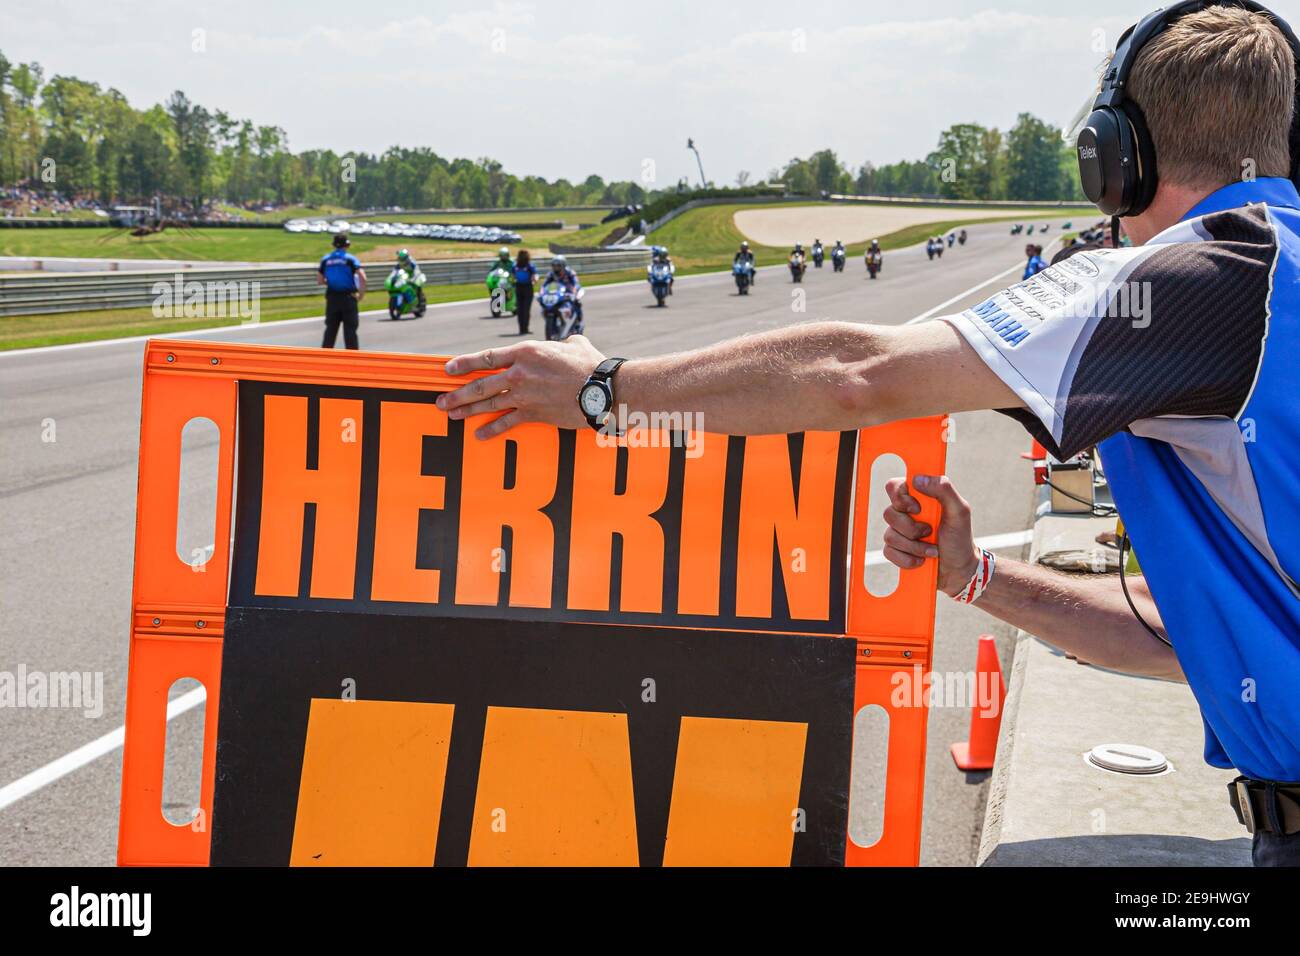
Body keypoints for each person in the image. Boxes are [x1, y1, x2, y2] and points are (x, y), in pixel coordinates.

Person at [436, 4, 1300, 865]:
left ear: (1117, 158)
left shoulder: (1207, 277)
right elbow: (1189, 636)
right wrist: (977, 578)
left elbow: (858, 375)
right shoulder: (1276, 264)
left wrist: (604, 390)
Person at [317, 232, 366, 350]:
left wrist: (331, 282)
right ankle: (352, 361)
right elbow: (363, 277)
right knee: (350, 331)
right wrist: (361, 294)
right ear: (347, 245)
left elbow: (320, 280)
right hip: (348, 298)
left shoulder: (325, 260)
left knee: (330, 330)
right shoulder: (350, 259)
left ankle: (325, 358)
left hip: (332, 298)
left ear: (334, 245)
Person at [545, 254, 583, 337]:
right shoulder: (551, 274)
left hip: (569, 294)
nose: (556, 268)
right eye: (554, 266)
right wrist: (542, 293)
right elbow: (545, 285)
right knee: (547, 307)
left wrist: (574, 292)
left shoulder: (570, 273)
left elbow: (576, 283)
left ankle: (578, 324)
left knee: (577, 303)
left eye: (558, 266)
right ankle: (554, 328)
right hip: (557, 294)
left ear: (563, 265)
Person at [513, 248, 537, 335]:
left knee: (520, 309)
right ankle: (525, 328)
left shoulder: (515, 266)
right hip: (527, 287)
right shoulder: (530, 266)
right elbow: (534, 276)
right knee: (526, 309)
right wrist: (534, 281)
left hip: (518, 287)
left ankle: (521, 328)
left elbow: (513, 276)